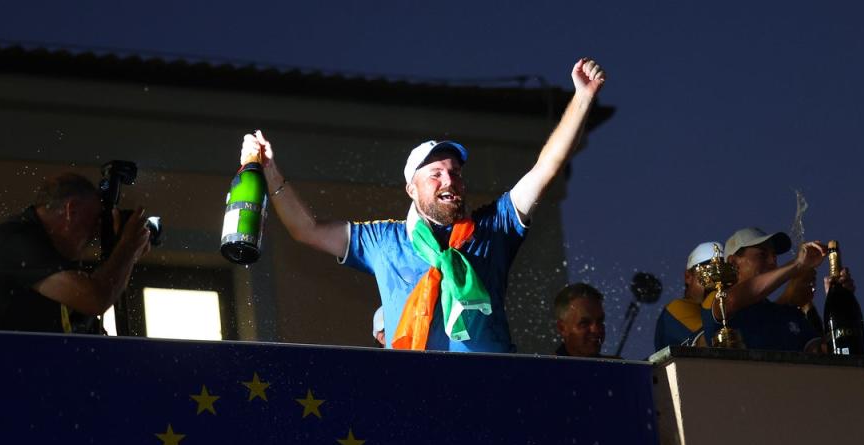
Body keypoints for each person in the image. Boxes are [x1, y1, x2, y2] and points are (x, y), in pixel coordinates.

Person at [240, 57, 607, 352]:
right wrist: (270, 172)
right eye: (435, 174)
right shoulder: (385, 241)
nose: (449, 180)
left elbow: (546, 168)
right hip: (417, 396)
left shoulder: (494, 228)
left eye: (456, 172)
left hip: (492, 394)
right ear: (411, 189)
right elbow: (306, 229)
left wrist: (582, 98)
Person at [0, 173, 151, 333]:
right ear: (71, 210)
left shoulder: (56, 263)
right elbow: (96, 299)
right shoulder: (15, 240)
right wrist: (127, 247)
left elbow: (85, 327)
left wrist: (123, 254)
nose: (96, 232)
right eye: (95, 220)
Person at [702, 227, 854, 352]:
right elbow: (732, 300)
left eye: (774, 257)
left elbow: (825, 356)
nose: (772, 262)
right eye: (762, 255)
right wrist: (797, 264)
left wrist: (836, 302)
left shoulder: (789, 314)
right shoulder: (718, 300)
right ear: (734, 263)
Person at [653, 241, 721, 351]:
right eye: (707, 273)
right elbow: (712, 341)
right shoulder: (677, 308)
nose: (716, 281)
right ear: (688, 276)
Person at [553, 283, 606, 357]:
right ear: (562, 328)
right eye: (584, 323)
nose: (596, 330)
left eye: (600, 321)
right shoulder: (543, 368)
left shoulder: (617, 367)